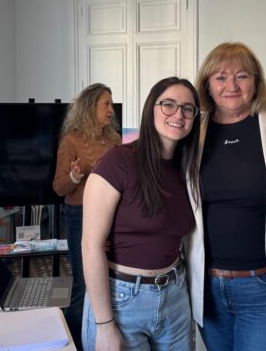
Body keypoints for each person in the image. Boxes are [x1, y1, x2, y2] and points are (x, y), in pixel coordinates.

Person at [186, 42, 266, 351]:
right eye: (220, 77)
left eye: (242, 76)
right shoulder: (192, 132)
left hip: (263, 286)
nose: (231, 86)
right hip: (209, 287)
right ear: (207, 85)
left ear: (256, 83)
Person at [81, 77, 201, 351]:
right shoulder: (117, 162)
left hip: (174, 297)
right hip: (122, 299)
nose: (178, 115)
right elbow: (90, 246)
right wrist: (104, 324)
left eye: (187, 108)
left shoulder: (188, 169)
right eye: (168, 105)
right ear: (151, 109)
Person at [53, 83, 122, 350]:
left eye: (111, 104)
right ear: (90, 106)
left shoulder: (114, 140)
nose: (111, 109)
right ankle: (76, 344)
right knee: (84, 285)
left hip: (113, 216)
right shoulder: (71, 141)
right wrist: (73, 177)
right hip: (80, 215)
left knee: (110, 279)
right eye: (106, 104)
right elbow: (59, 187)